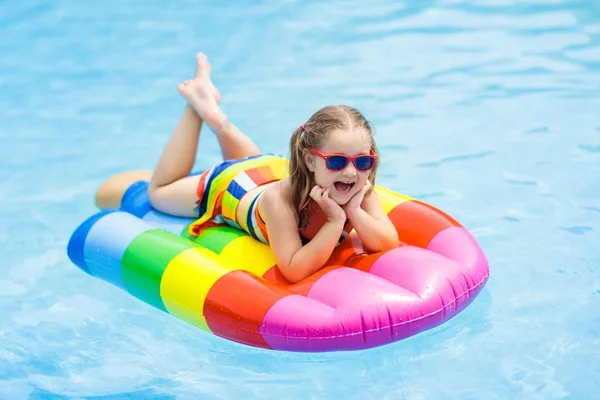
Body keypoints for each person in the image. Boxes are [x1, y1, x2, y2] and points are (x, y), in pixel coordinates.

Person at [95, 52, 399, 283]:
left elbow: (387, 242)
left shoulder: (358, 187)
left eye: (363, 162)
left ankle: (219, 120)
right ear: (309, 160)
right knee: (159, 193)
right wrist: (334, 223)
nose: (351, 172)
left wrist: (354, 211)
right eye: (336, 162)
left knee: (252, 160)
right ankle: (196, 106)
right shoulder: (280, 202)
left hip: (264, 167)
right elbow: (293, 268)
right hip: (233, 187)